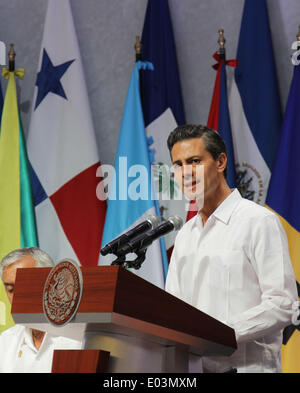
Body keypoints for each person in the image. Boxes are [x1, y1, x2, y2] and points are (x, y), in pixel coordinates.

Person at [165, 124, 298, 373]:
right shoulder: (184, 235)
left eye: (194, 161)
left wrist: (218, 333)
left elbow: (283, 304)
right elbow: (175, 310)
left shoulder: (257, 221)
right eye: (178, 165)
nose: (186, 172)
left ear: (220, 162)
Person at [0, 247, 82, 373]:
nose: (17, 296)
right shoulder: (5, 341)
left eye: (25, 285)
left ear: (51, 282)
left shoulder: (80, 338)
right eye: (11, 290)